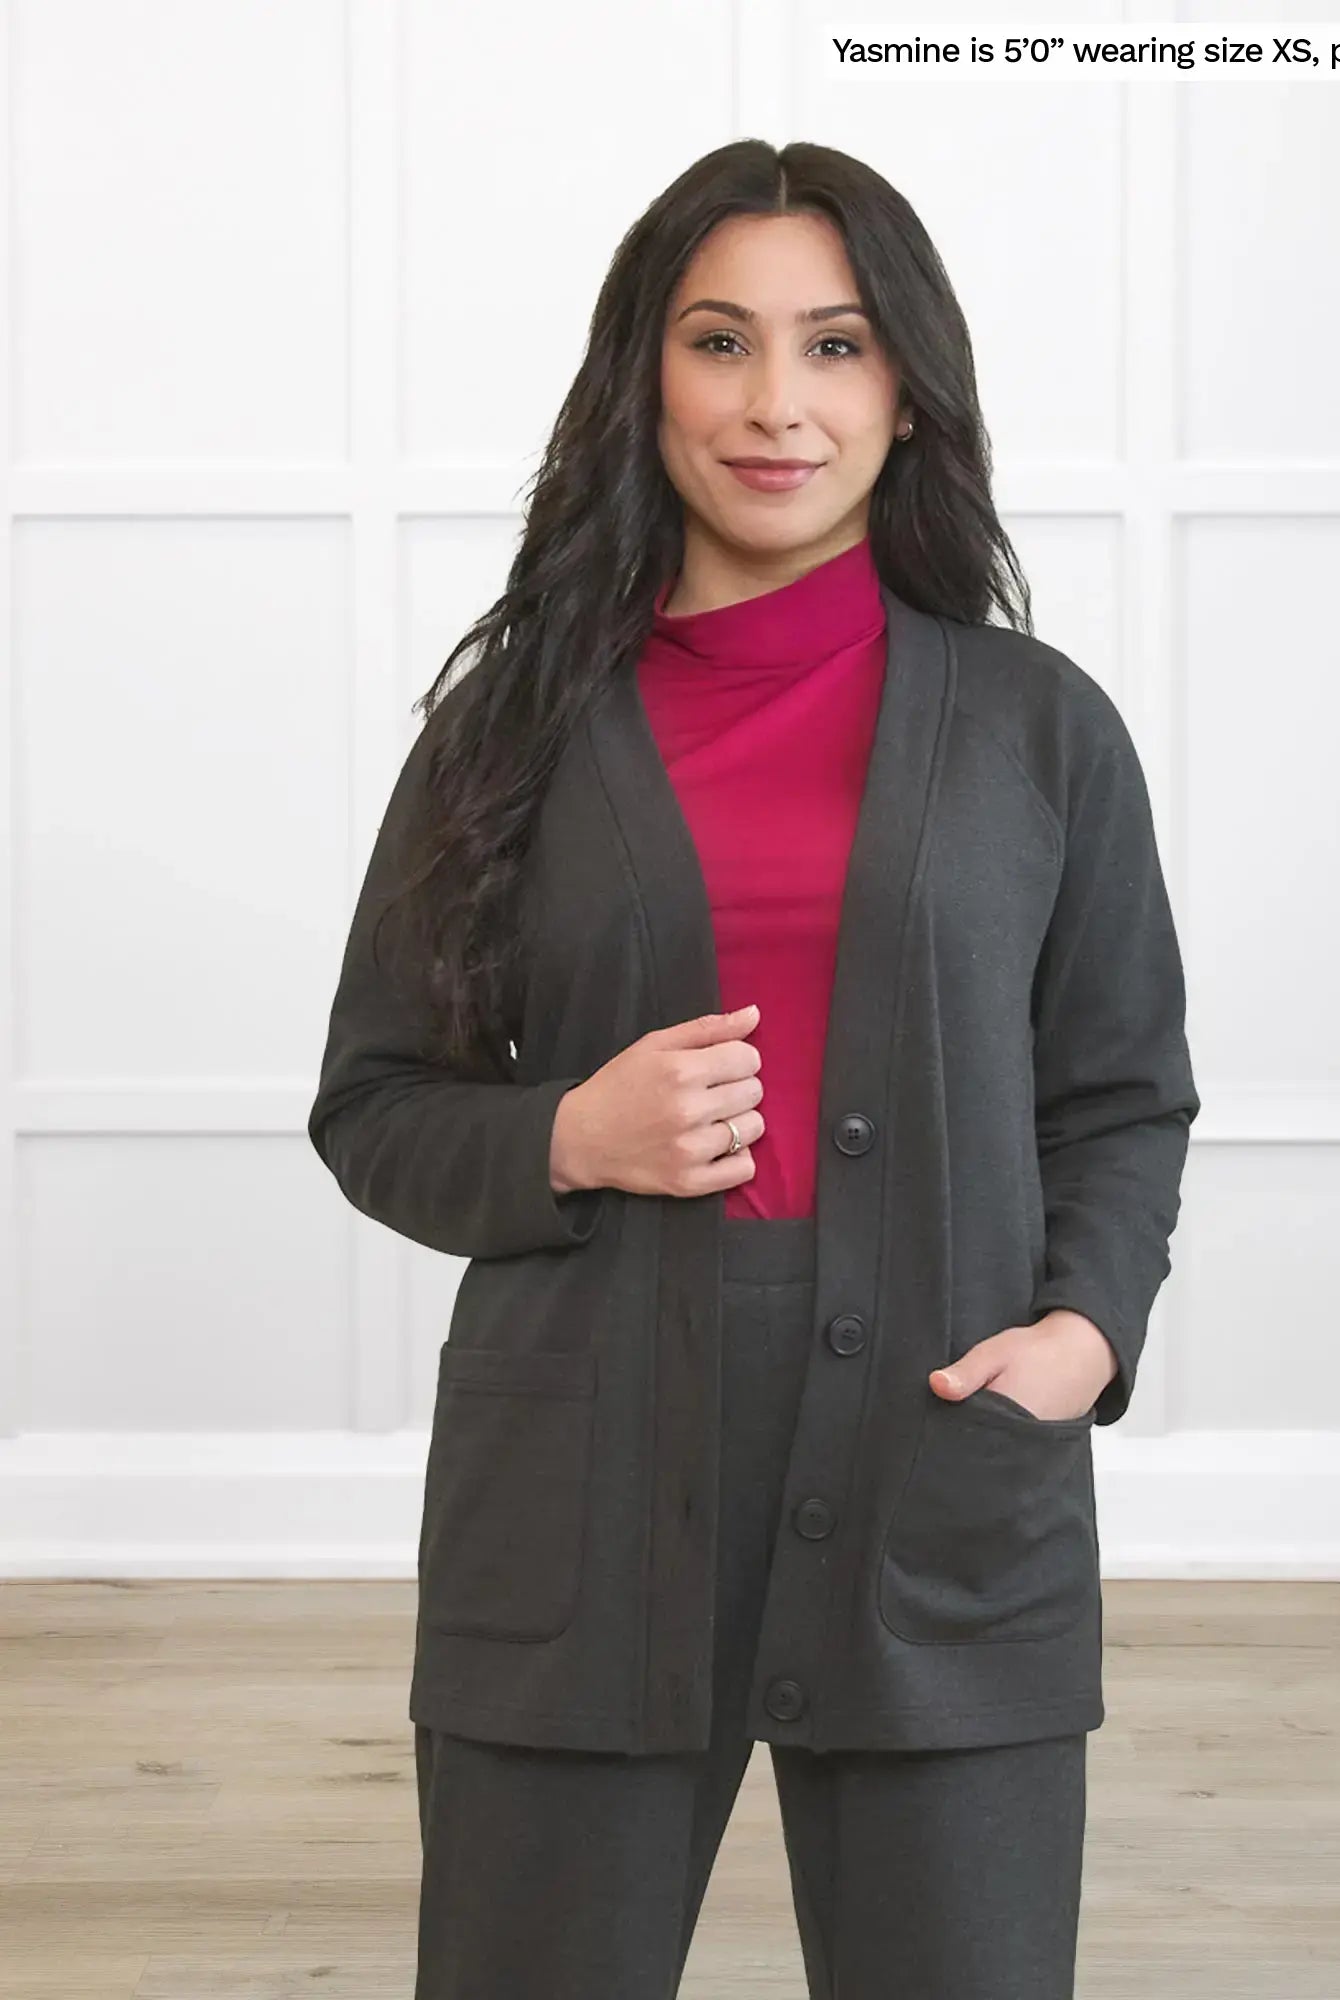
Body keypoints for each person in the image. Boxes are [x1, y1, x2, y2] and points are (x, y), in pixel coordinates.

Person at [308, 137, 1199, 1998]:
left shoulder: (1041, 731)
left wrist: (1086, 1335)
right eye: (721, 342)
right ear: (647, 376)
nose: (776, 403)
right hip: (585, 1497)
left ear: (908, 388)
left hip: (947, 1470)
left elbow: (1117, 1093)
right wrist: (571, 1133)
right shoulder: (512, 736)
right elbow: (375, 1103)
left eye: (837, 344)